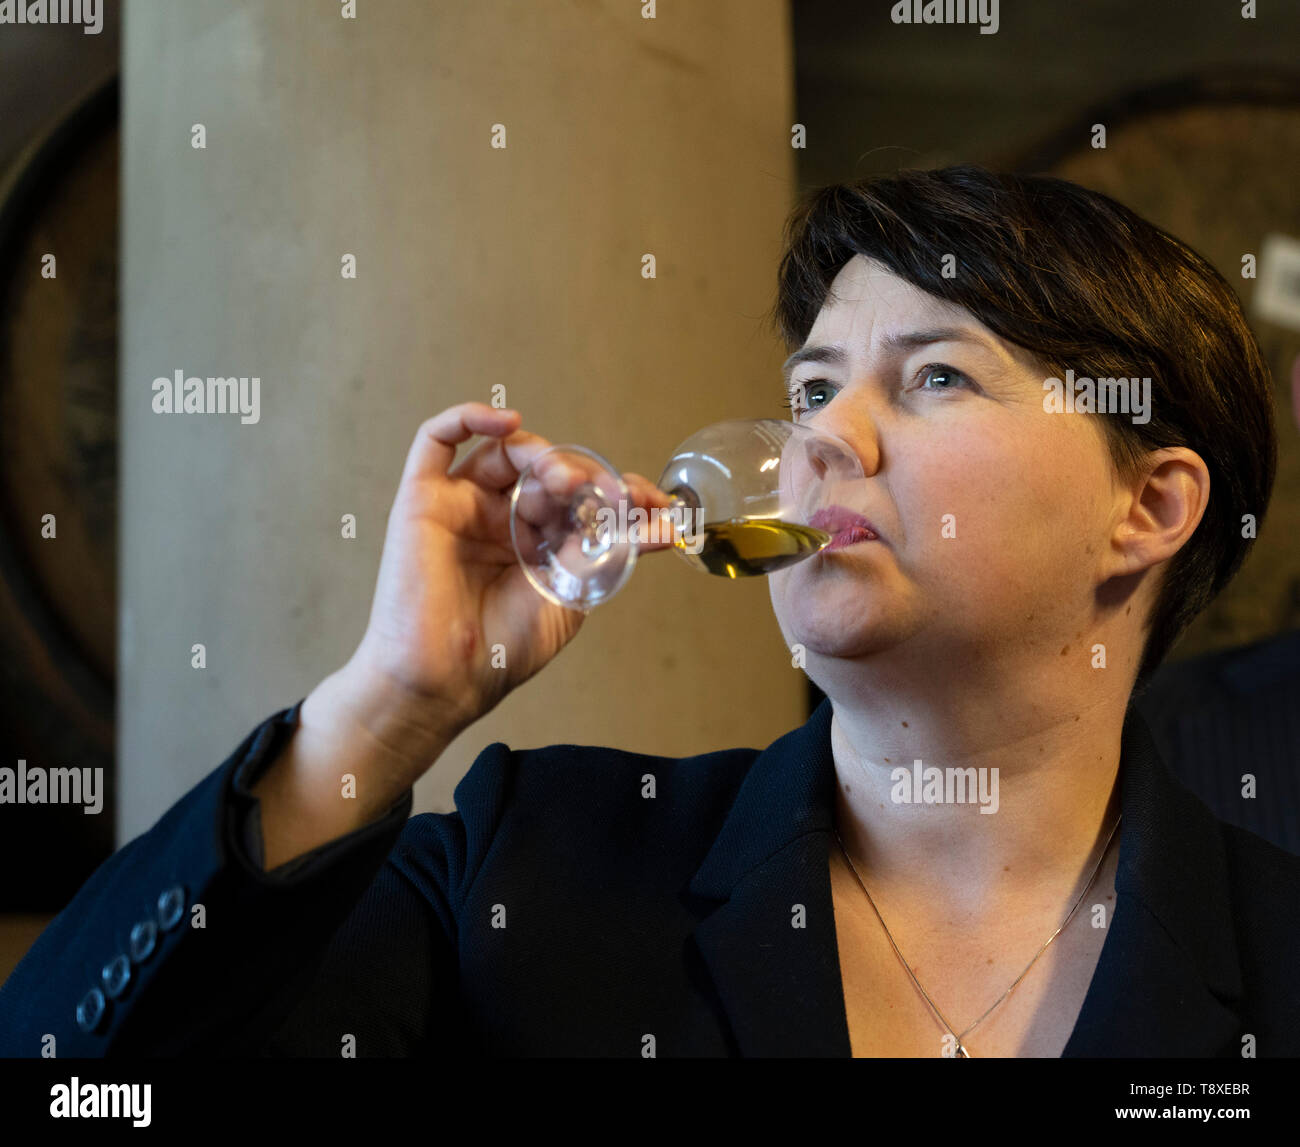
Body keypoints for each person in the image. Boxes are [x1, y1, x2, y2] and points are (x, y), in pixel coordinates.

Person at [1, 165, 1297, 1058]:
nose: (822, 439)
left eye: (938, 376)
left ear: (1150, 508)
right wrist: (389, 705)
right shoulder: (533, 865)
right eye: (812, 388)